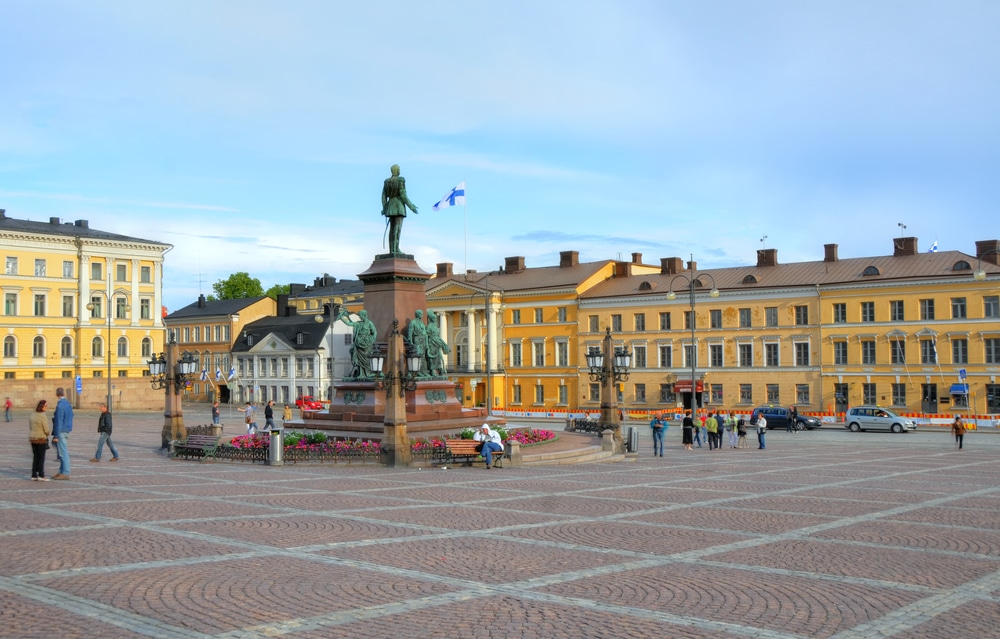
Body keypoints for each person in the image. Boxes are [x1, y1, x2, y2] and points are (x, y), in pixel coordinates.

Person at [381, 164, 419, 254]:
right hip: (398, 206)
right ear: (398, 171)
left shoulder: (386, 182)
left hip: (390, 206)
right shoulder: (400, 180)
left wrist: (385, 207)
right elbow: (403, 195)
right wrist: (411, 206)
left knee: (392, 229)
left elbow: (383, 196)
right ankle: (396, 249)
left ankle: (392, 250)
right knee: (397, 228)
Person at [338, 309, 378, 379]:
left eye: (360, 316)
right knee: (359, 359)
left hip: (367, 344)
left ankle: (368, 373)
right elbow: (349, 323)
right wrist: (341, 318)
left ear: (364, 315)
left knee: (367, 359)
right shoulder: (358, 323)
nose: (359, 317)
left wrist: (371, 340)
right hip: (359, 342)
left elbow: (374, 332)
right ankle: (361, 374)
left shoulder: (369, 323)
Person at [51, 387, 74, 480]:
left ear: (56, 395)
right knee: (61, 452)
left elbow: (58, 420)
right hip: (66, 429)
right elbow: (72, 415)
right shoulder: (68, 404)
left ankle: (65, 472)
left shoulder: (60, 405)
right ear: (64, 394)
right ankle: (61, 471)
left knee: (63, 452)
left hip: (61, 430)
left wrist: (56, 435)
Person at [29, 399, 51, 481]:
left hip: (33, 438)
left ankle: (34, 474)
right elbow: (46, 429)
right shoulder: (43, 415)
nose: (47, 407)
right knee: (41, 458)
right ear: (43, 407)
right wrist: (47, 434)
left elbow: (31, 427)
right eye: (46, 406)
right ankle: (41, 475)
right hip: (41, 438)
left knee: (35, 457)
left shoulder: (32, 415)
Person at [424, 309, 450, 376]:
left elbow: (438, 337)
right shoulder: (429, 326)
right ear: (431, 319)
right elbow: (426, 335)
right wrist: (427, 345)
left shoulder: (435, 326)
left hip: (436, 344)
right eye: (434, 318)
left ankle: (439, 370)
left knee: (438, 358)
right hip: (431, 343)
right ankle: (432, 371)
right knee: (432, 358)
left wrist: (444, 345)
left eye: (435, 319)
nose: (435, 320)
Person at [405, 310, 428, 374]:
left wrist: (426, 342)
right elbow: (410, 331)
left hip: (423, 340)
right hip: (417, 339)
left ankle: (423, 371)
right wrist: (410, 340)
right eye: (421, 314)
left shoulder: (422, 323)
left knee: (423, 356)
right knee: (418, 355)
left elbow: (425, 332)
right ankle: (417, 371)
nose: (422, 315)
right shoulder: (413, 322)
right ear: (417, 314)